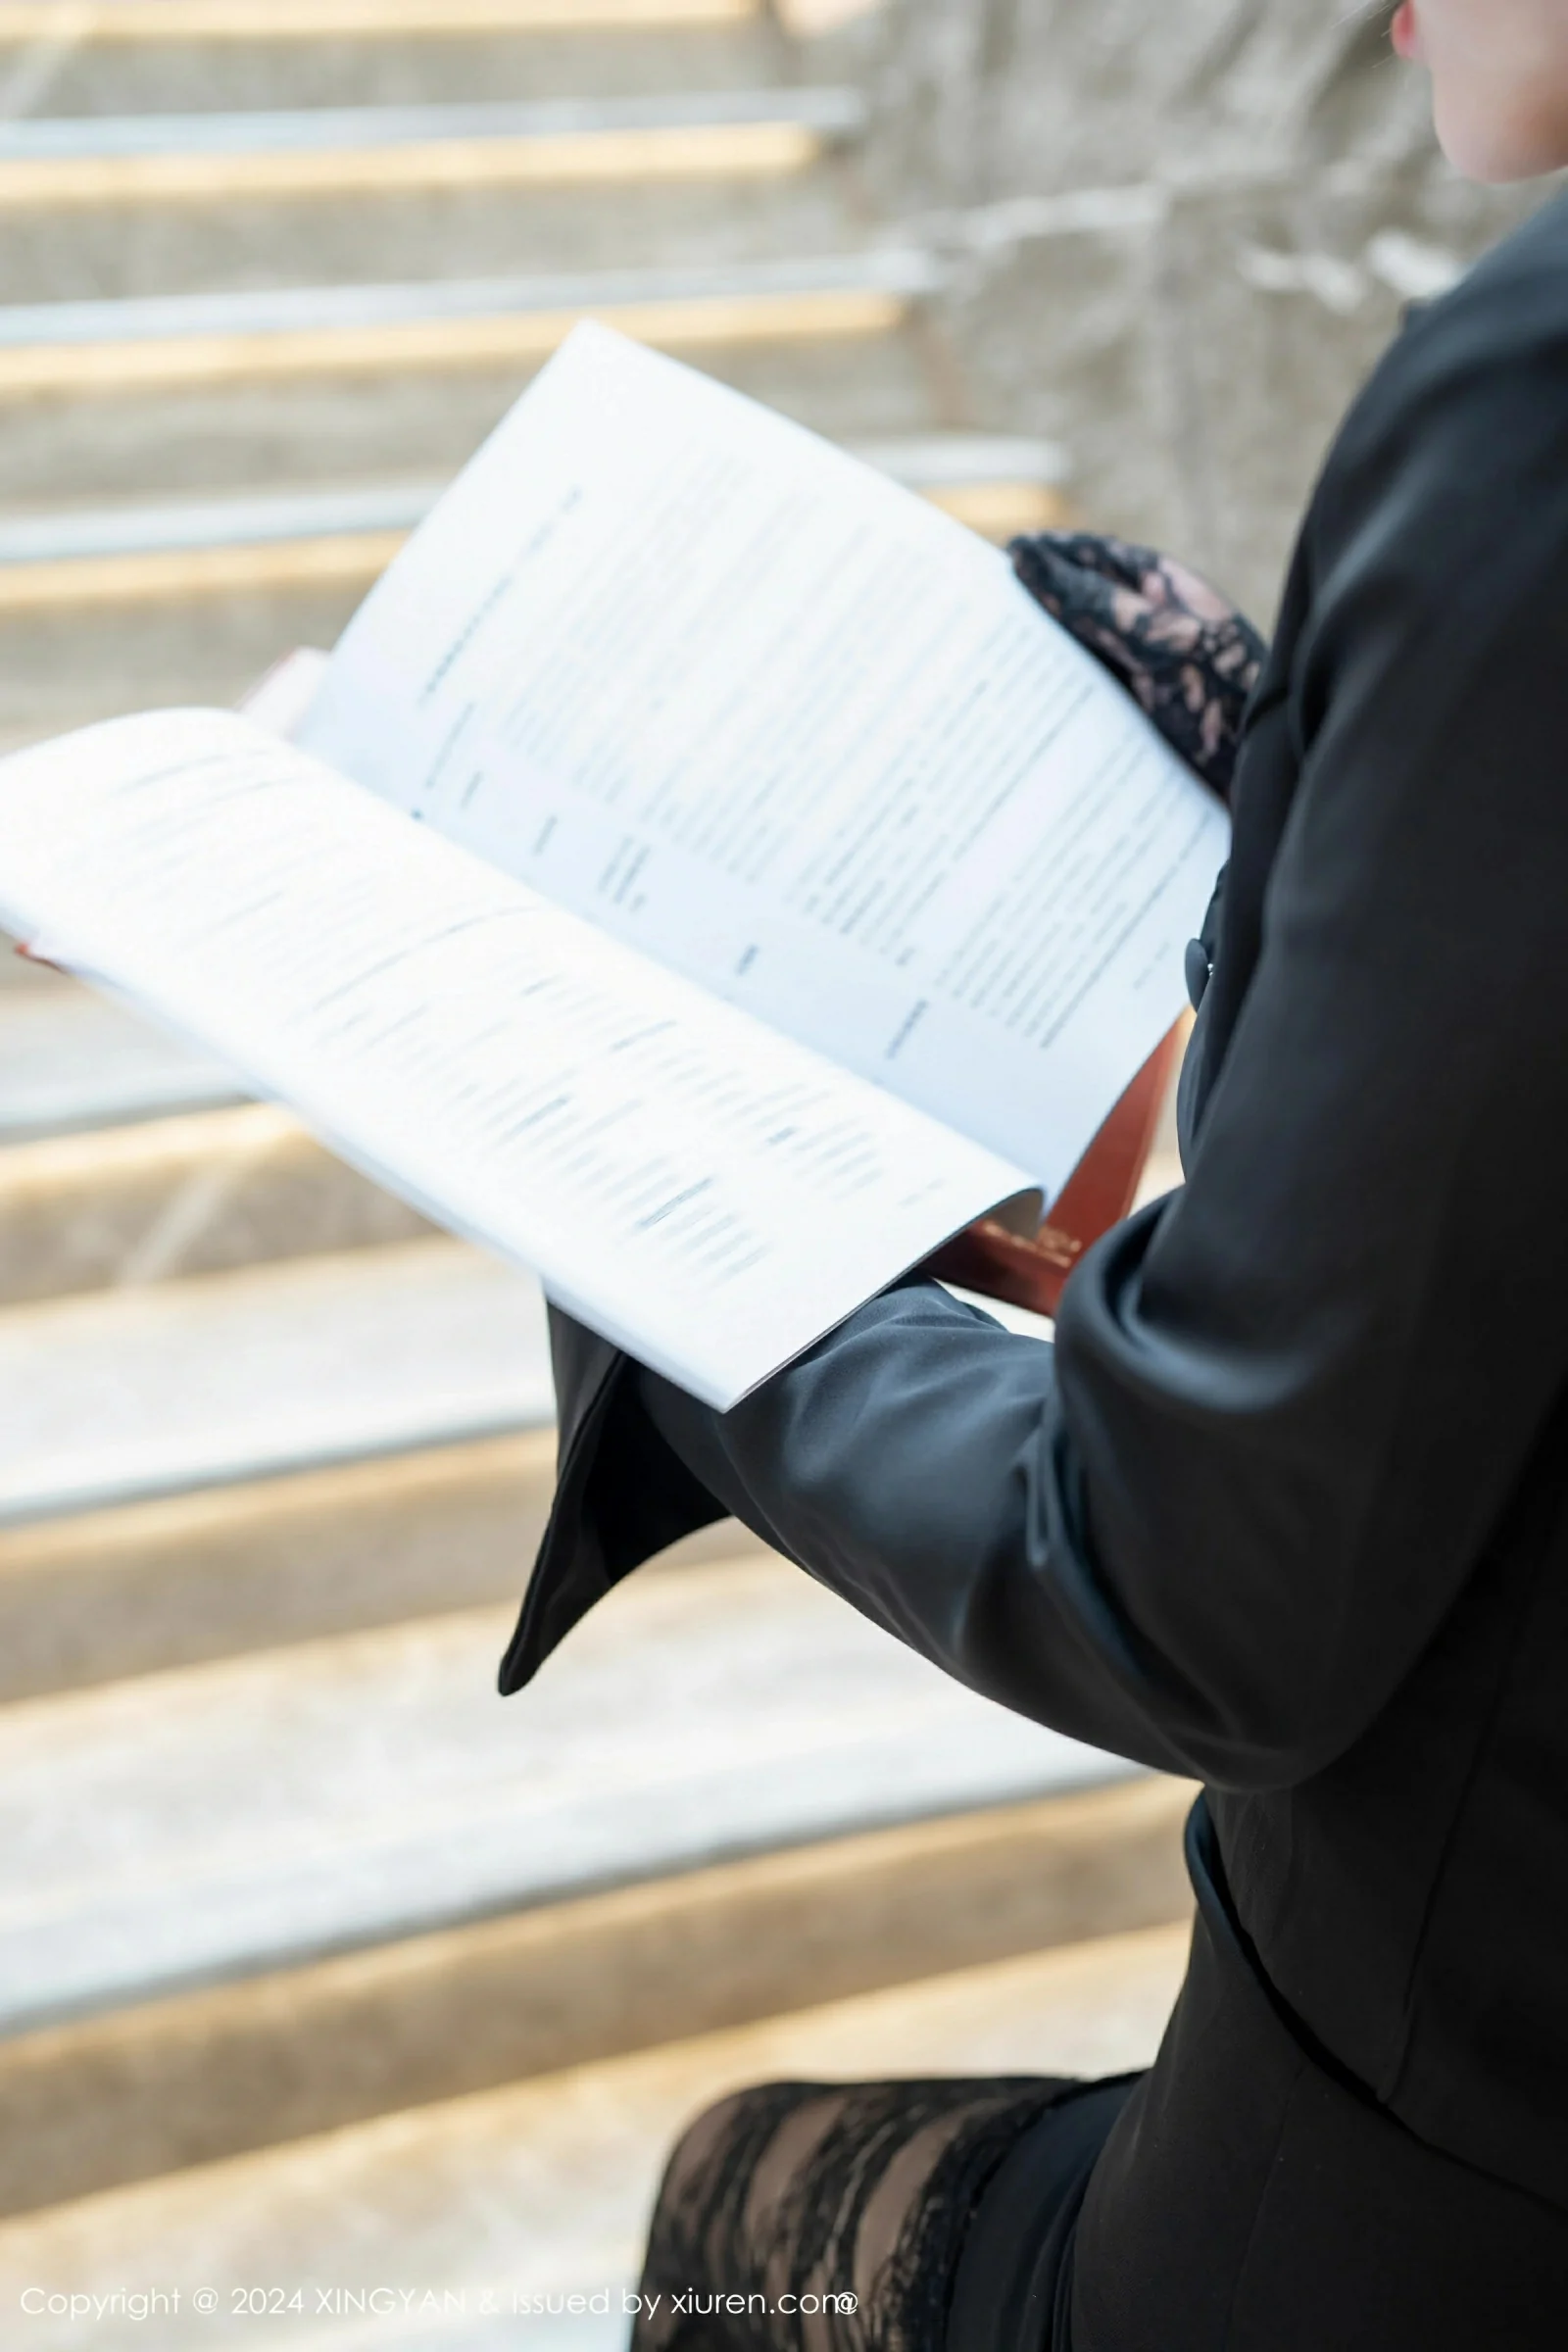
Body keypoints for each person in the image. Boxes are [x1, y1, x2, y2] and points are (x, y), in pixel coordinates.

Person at [499, 3, 1568, 2343]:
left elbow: (1190, 1585)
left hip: (1435, 2196)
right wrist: (1313, 799)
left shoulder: (1533, 404)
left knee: (744, 2205)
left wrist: (684, 1234)